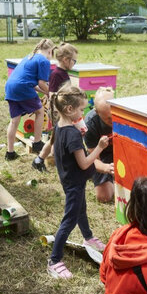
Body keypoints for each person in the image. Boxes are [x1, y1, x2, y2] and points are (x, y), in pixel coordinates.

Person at [47, 84, 110, 279]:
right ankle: (55, 260)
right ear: (69, 109)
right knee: (70, 219)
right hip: (75, 181)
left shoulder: (61, 126)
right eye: (82, 109)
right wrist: (99, 148)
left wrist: (79, 127)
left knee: (81, 209)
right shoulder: (73, 134)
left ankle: (88, 237)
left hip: (70, 179)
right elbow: (84, 163)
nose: (84, 113)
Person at [4, 38, 54, 161]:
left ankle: (10, 153)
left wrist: (45, 93)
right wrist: (51, 93)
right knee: (40, 111)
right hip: (22, 87)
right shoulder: (44, 61)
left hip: (10, 87)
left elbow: (34, 84)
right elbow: (42, 83)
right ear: (50, 51)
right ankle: (37, 143)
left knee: (14, 120)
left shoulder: (30, 56)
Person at [32, 42, 78, 172]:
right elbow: (52, 94)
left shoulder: (63, 73)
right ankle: (40, 160)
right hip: (59, 113)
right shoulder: (57, 74)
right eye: (74, 61)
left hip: (63, 112)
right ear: (65, 60)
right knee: (56, 138)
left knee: (55, 138)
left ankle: (48, 158)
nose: (75, 63)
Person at [83, 87, 115, 203]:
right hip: (101, 156)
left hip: (121, 153)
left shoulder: (126, 115)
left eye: (114, 115)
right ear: (97, 112)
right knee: (104, 197)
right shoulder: (90, 123)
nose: (113, 121)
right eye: (108, 118)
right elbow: (93, 159)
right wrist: (107, 168)